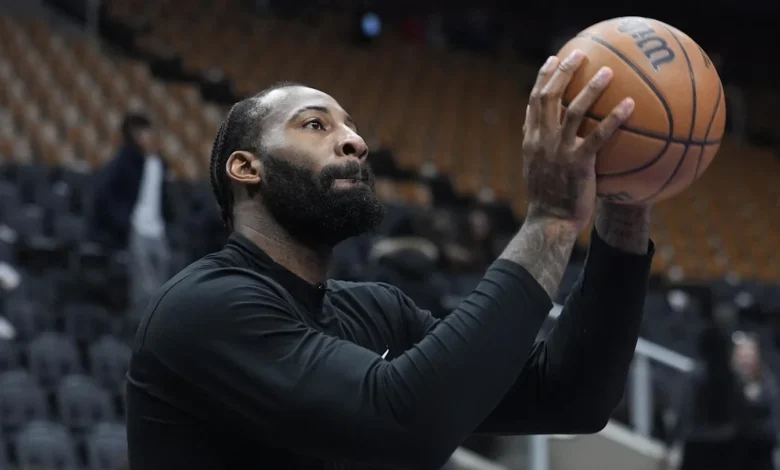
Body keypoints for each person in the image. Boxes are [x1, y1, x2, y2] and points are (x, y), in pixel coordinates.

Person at [126, 49, 654, 470]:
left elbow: (572, 397)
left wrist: (624, 215)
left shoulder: (377, 312)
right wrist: (551, 219)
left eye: (352, 127)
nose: (355, 142)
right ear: (247, 168)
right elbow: (403, 426)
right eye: (316, 125)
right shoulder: (205, 308)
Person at [89, 114, 173, 315]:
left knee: (164, 276)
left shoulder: (159, 163)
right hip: (137, 228)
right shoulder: (125, 162)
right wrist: (126, 220)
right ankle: (143, 323)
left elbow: (163, 197)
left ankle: (160, 320)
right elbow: (104, 195)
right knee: (143, 284)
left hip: (157, 230)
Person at [731, 333, 779, 470]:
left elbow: (773, 420)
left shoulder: (767, 383)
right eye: (742, 356)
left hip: (760, 450)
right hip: (733, 450)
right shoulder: (727, 383)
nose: (745, 360)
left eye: (748, 355)